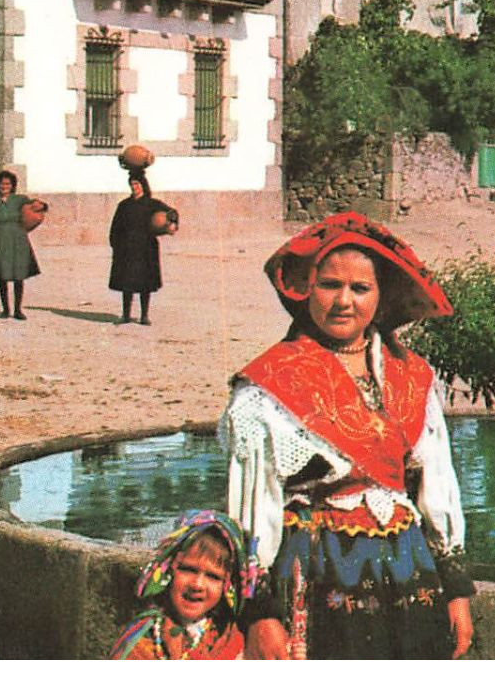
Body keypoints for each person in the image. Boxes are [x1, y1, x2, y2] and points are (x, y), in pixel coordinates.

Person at [219, 212, 474, 660]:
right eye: (329, 285)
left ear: (381, 296)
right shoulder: (269, 384)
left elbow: (435, 485)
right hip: (313, 569)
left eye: (360, 289)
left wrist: (455, 589)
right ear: (305, 288)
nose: (343, 301)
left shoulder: (410, 376)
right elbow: (253, 507)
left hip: (407, 568)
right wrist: (260, 613)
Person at [110, 510, 252, 660]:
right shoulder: (141, 640)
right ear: (169, 570)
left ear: (228, 585)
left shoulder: (231, 638)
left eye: (213, 576)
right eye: (188, 569)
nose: (197, 585)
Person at [108, 172, 171, 325]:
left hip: (146, 248)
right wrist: (115, 244)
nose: (134, 187)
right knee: (126, 283)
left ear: (143, 185)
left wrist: (169, 225)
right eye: (132, 184)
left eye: (137, 184)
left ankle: (144, 316)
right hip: (127, 248)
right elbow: (116, 226)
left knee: (145, 283)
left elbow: (171, 214)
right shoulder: (124, 205)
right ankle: (126, 315)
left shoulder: (153, 204)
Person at [0, 171, 40, 321]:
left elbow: (34, 206)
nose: (4, 187)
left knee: (19, 275)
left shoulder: (20, 200)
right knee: (2, 275)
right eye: (1, 184)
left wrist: (41, 206)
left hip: (17, 240)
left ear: (12, 186)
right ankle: (5, 309)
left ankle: (18, 309)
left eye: (7, 184)